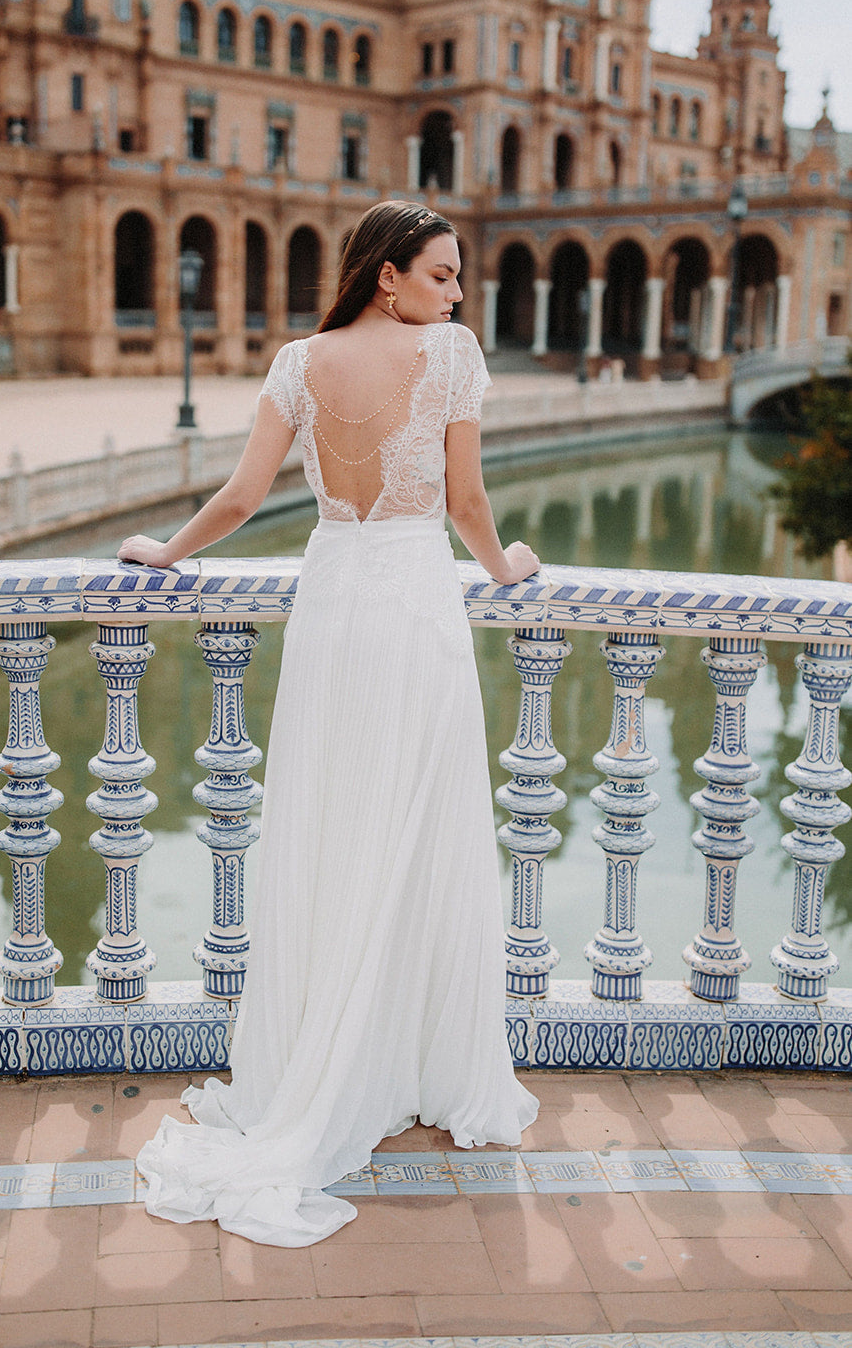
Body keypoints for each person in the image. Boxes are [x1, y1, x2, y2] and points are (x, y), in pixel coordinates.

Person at [119, 200, 541, 1248]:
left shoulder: (296, 363)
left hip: (332, 605)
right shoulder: (450, 357)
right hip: (412, 607)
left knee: (329, 825)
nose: (456, 294)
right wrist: (507, 568)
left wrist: (166, 554)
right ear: (386, 275)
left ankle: (328, 1056)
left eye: (457, 278)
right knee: (419, 827)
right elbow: (466, 504)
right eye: (440, 274)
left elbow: (239, 497)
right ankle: (397, 1059)